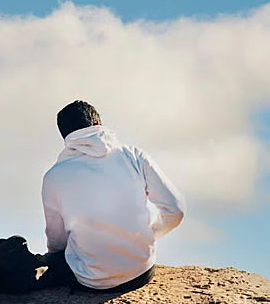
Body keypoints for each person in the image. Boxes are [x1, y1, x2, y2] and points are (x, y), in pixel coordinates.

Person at [38, 100, 185, 292]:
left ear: (66, 137)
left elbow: (56, 239)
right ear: (98, 124)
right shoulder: (133, 155)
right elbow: (176, 210)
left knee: (46, 263)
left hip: (91, 281)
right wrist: (147, 234)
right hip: (141, 272)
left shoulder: (53, 176)